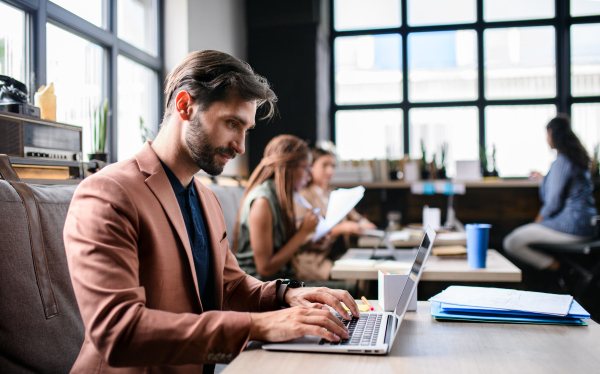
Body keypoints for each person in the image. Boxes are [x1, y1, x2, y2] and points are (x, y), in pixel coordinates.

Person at [63, 50, 358, 374]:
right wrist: (258, 326)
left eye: (246, 129)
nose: (241, 146)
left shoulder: (206, 197)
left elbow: (230, 287)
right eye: (232, 123)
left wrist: (287, 296)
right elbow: (118, 332)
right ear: (185, 105)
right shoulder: (107, 194)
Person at [503, 114, 597, 271]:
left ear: (552, 133)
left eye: (547, 134)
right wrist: (545, 178)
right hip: (588, 225)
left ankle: (560, 269)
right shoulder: (576, 158)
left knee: (511, 242)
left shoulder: (562, 161)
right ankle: (561, 270)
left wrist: (538, 220)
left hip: (571, 226)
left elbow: (553, 202)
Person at [233, 135, 322, 281]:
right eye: (307, 168)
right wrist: (302, 233)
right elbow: (265, 269)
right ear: (289, 167)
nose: (309, 176)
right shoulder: (263, 202)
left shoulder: (281, 196)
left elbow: (279, 250)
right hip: (259, 288)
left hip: (282, 283)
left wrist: (307, 244)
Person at [293, 145, 377, 281]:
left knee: (365, 271)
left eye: (333, 166)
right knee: (356, 277)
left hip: (339, 254)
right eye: (324, 165)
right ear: (311, 167)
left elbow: (355, 217)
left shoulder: (335, 194)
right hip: (316, 261)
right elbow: (308, 237)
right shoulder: (304, 197)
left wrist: (363, 222)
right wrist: (341, 228)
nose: (330, 170)